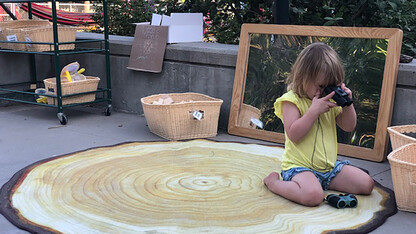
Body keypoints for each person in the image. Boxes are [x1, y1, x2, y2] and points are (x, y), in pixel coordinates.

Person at [264, 42, 374, 207]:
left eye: (331, 86)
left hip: (329, 169)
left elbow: (348, 126)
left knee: (366, 184)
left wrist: (347, 103)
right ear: (303, 78)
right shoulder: (291, 100)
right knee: (314, 196)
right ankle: (274, 184)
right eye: (321, 86)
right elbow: (293, 134)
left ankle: (320, 182)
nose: (324, 92)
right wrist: (313, 112)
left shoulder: (328, 100)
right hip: (299, 168)